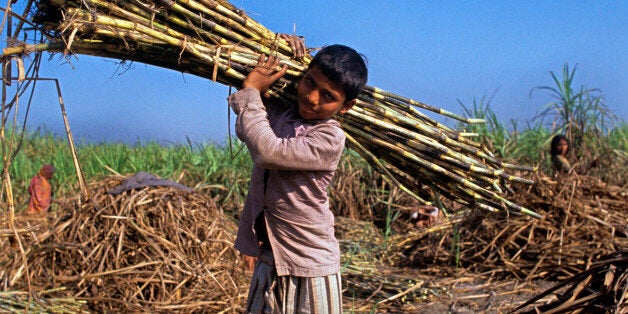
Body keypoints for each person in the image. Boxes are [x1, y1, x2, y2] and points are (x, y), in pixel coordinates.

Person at [229, 39, 368, 313]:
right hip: (270, 257)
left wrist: (252, 91)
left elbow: (267, 150)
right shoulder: (283, 114)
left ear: (347, 106)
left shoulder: (328, 138)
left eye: (328, 96)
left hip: (309, 262)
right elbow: (251, 111)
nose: (312, 97)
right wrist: (277, 45)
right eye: (309, 82)